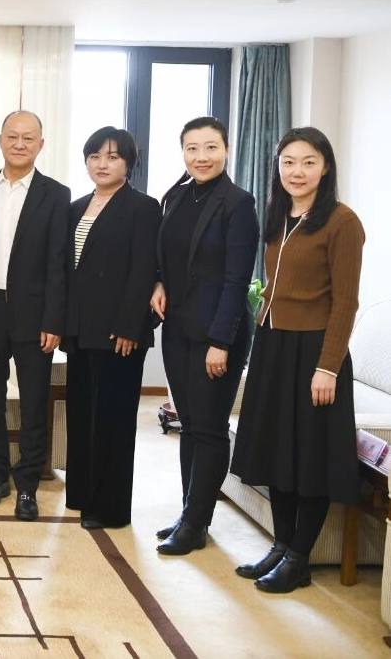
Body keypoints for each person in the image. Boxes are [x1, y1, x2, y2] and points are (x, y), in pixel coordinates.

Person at [230, 127, 364, 593]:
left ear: (325, 167)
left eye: (308, 162)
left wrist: (328, 367)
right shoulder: (278, 215)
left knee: (310, 458)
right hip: (274, 345)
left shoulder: (343, 222)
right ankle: (282, 546)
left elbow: (346, 302)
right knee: (277, 453)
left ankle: (299, 558)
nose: (297, 171)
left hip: (315, 352)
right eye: (288, 162)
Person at [152, 117, 257, 555]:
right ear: (183, 152)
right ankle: (189, 515)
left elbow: (237, 279)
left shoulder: (239, 203)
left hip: (218, 333)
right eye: (192, 148)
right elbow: (166, 256)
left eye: (210, 147)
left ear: (226, 149)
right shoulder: (176, 196)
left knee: (210, 427)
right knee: (189, 424)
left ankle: (197, 523)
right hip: (178, 327)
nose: (201, 156)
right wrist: (159, 282)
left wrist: (221, 342)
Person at [0, 110, 69, 520]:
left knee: (33, 403)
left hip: (35, 314)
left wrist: (54, 320)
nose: (19, 144)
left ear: (40, 145)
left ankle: (27, 485)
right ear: (0, 139)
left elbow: (59, 263)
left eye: (28, 138)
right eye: (12, 136)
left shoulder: (56, 194)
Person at [64, 127, 160, 529]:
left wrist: (130, 326)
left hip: (120, 332)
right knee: (82, 414)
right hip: (80, 329)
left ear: (128, 163)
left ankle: (110, 508)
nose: (102, 164)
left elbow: (143, 268)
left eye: (113, 156)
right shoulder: (76, 207)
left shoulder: (143, 207)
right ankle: (82, 495)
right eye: (95, 156)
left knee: (113, 422)